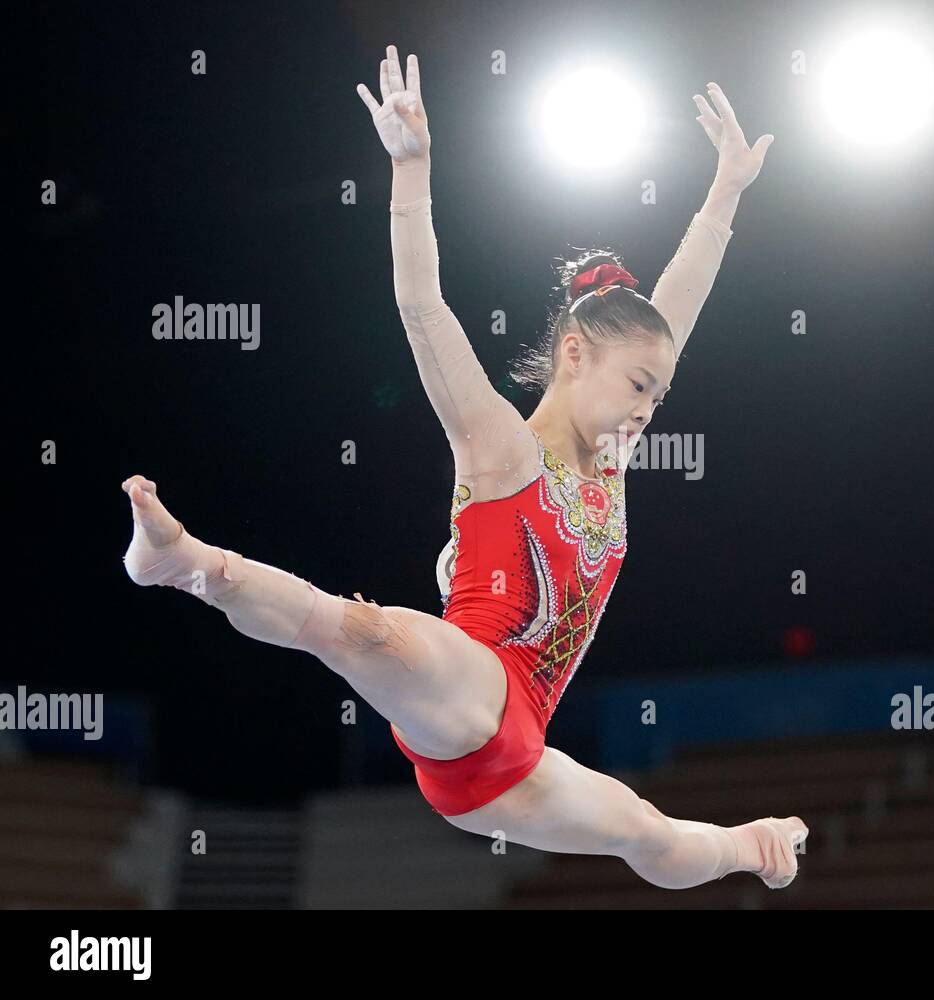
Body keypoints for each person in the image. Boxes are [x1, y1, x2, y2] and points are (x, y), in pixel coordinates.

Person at [121, 44, 805, 891]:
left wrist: (724, 195)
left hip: (516, 760)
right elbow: (420, 307)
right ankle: (185, 562)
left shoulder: (614, 460)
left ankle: (752, 844)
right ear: (572, 355)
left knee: (655, 839)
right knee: (360, 630)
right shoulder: (499, 448)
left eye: (658, 397)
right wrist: (412, 173)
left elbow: (673, 316)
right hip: (464, 686)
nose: (645, 409)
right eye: (636, 385)